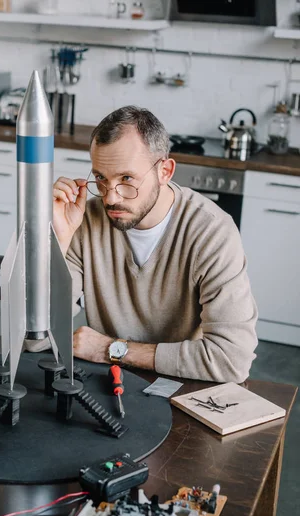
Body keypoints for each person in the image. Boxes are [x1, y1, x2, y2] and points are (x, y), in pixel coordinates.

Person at [30, 105, 258, 383]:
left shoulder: (212, 231)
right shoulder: (84, 220)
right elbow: (35, 339)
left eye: (127, 179)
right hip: (106, 382)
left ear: (165, 171)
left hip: (181, 386)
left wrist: (109, 350)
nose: (110, 198)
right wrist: (59, 241)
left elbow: (232, 359)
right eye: (101, 178)